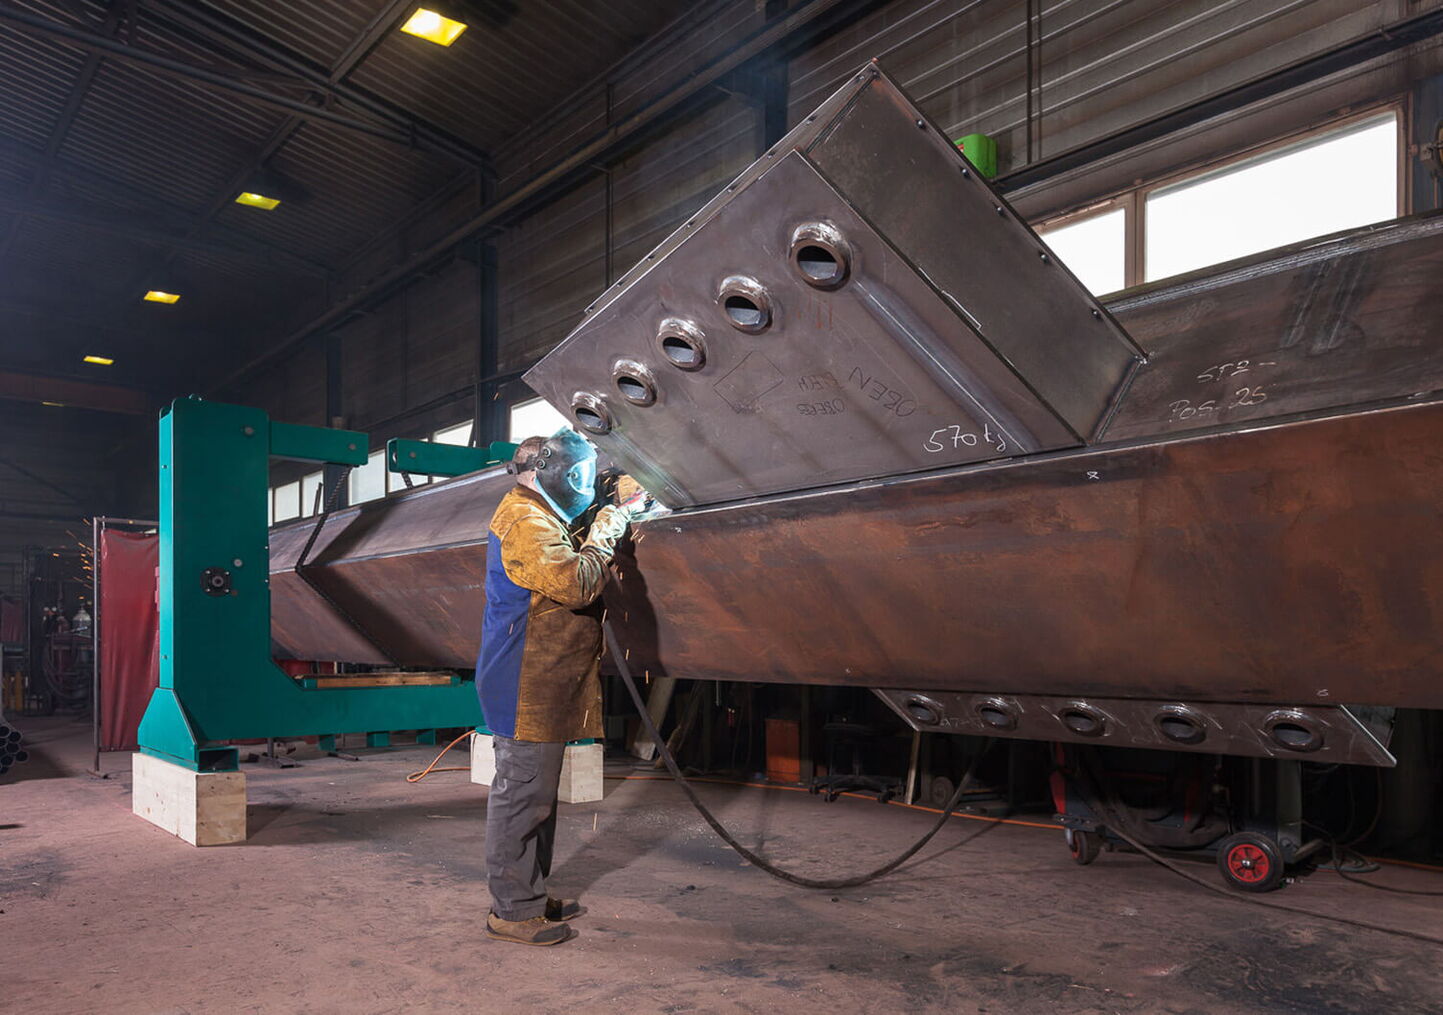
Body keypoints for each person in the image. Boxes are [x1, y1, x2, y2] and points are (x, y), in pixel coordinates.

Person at [477, 427, 646, 946]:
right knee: (522, 800)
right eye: (586, 477)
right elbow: (575, 583)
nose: (589, 485)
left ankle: (527, 894)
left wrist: (608, 500)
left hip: (542, 681)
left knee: (538, 800)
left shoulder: (541, 510)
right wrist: (612, 521)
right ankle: (511, 911)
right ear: (560, 473)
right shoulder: (525, 519)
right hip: (524, 683)